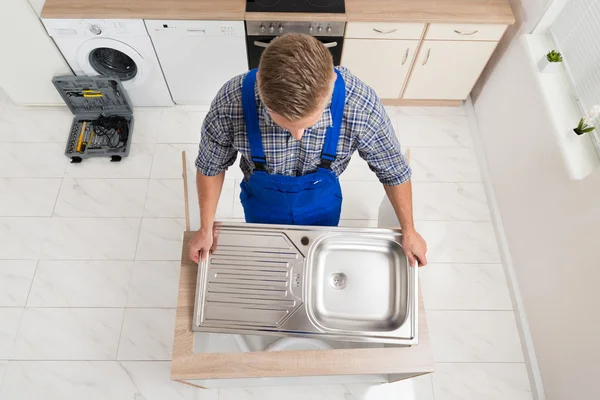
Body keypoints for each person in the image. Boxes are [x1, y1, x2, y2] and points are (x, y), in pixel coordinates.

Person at [189, 34, 427, 267]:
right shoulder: (231, 102)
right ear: (261, 89)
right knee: (272, 258)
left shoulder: (360, 105)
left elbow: (393, 171)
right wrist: (205, 227)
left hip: (322, 206)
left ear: (331, 83)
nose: (297, 136)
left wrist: (409, 230)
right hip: (261, 205)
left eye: (308, 124)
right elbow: (211, 166)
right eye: (284, 124)